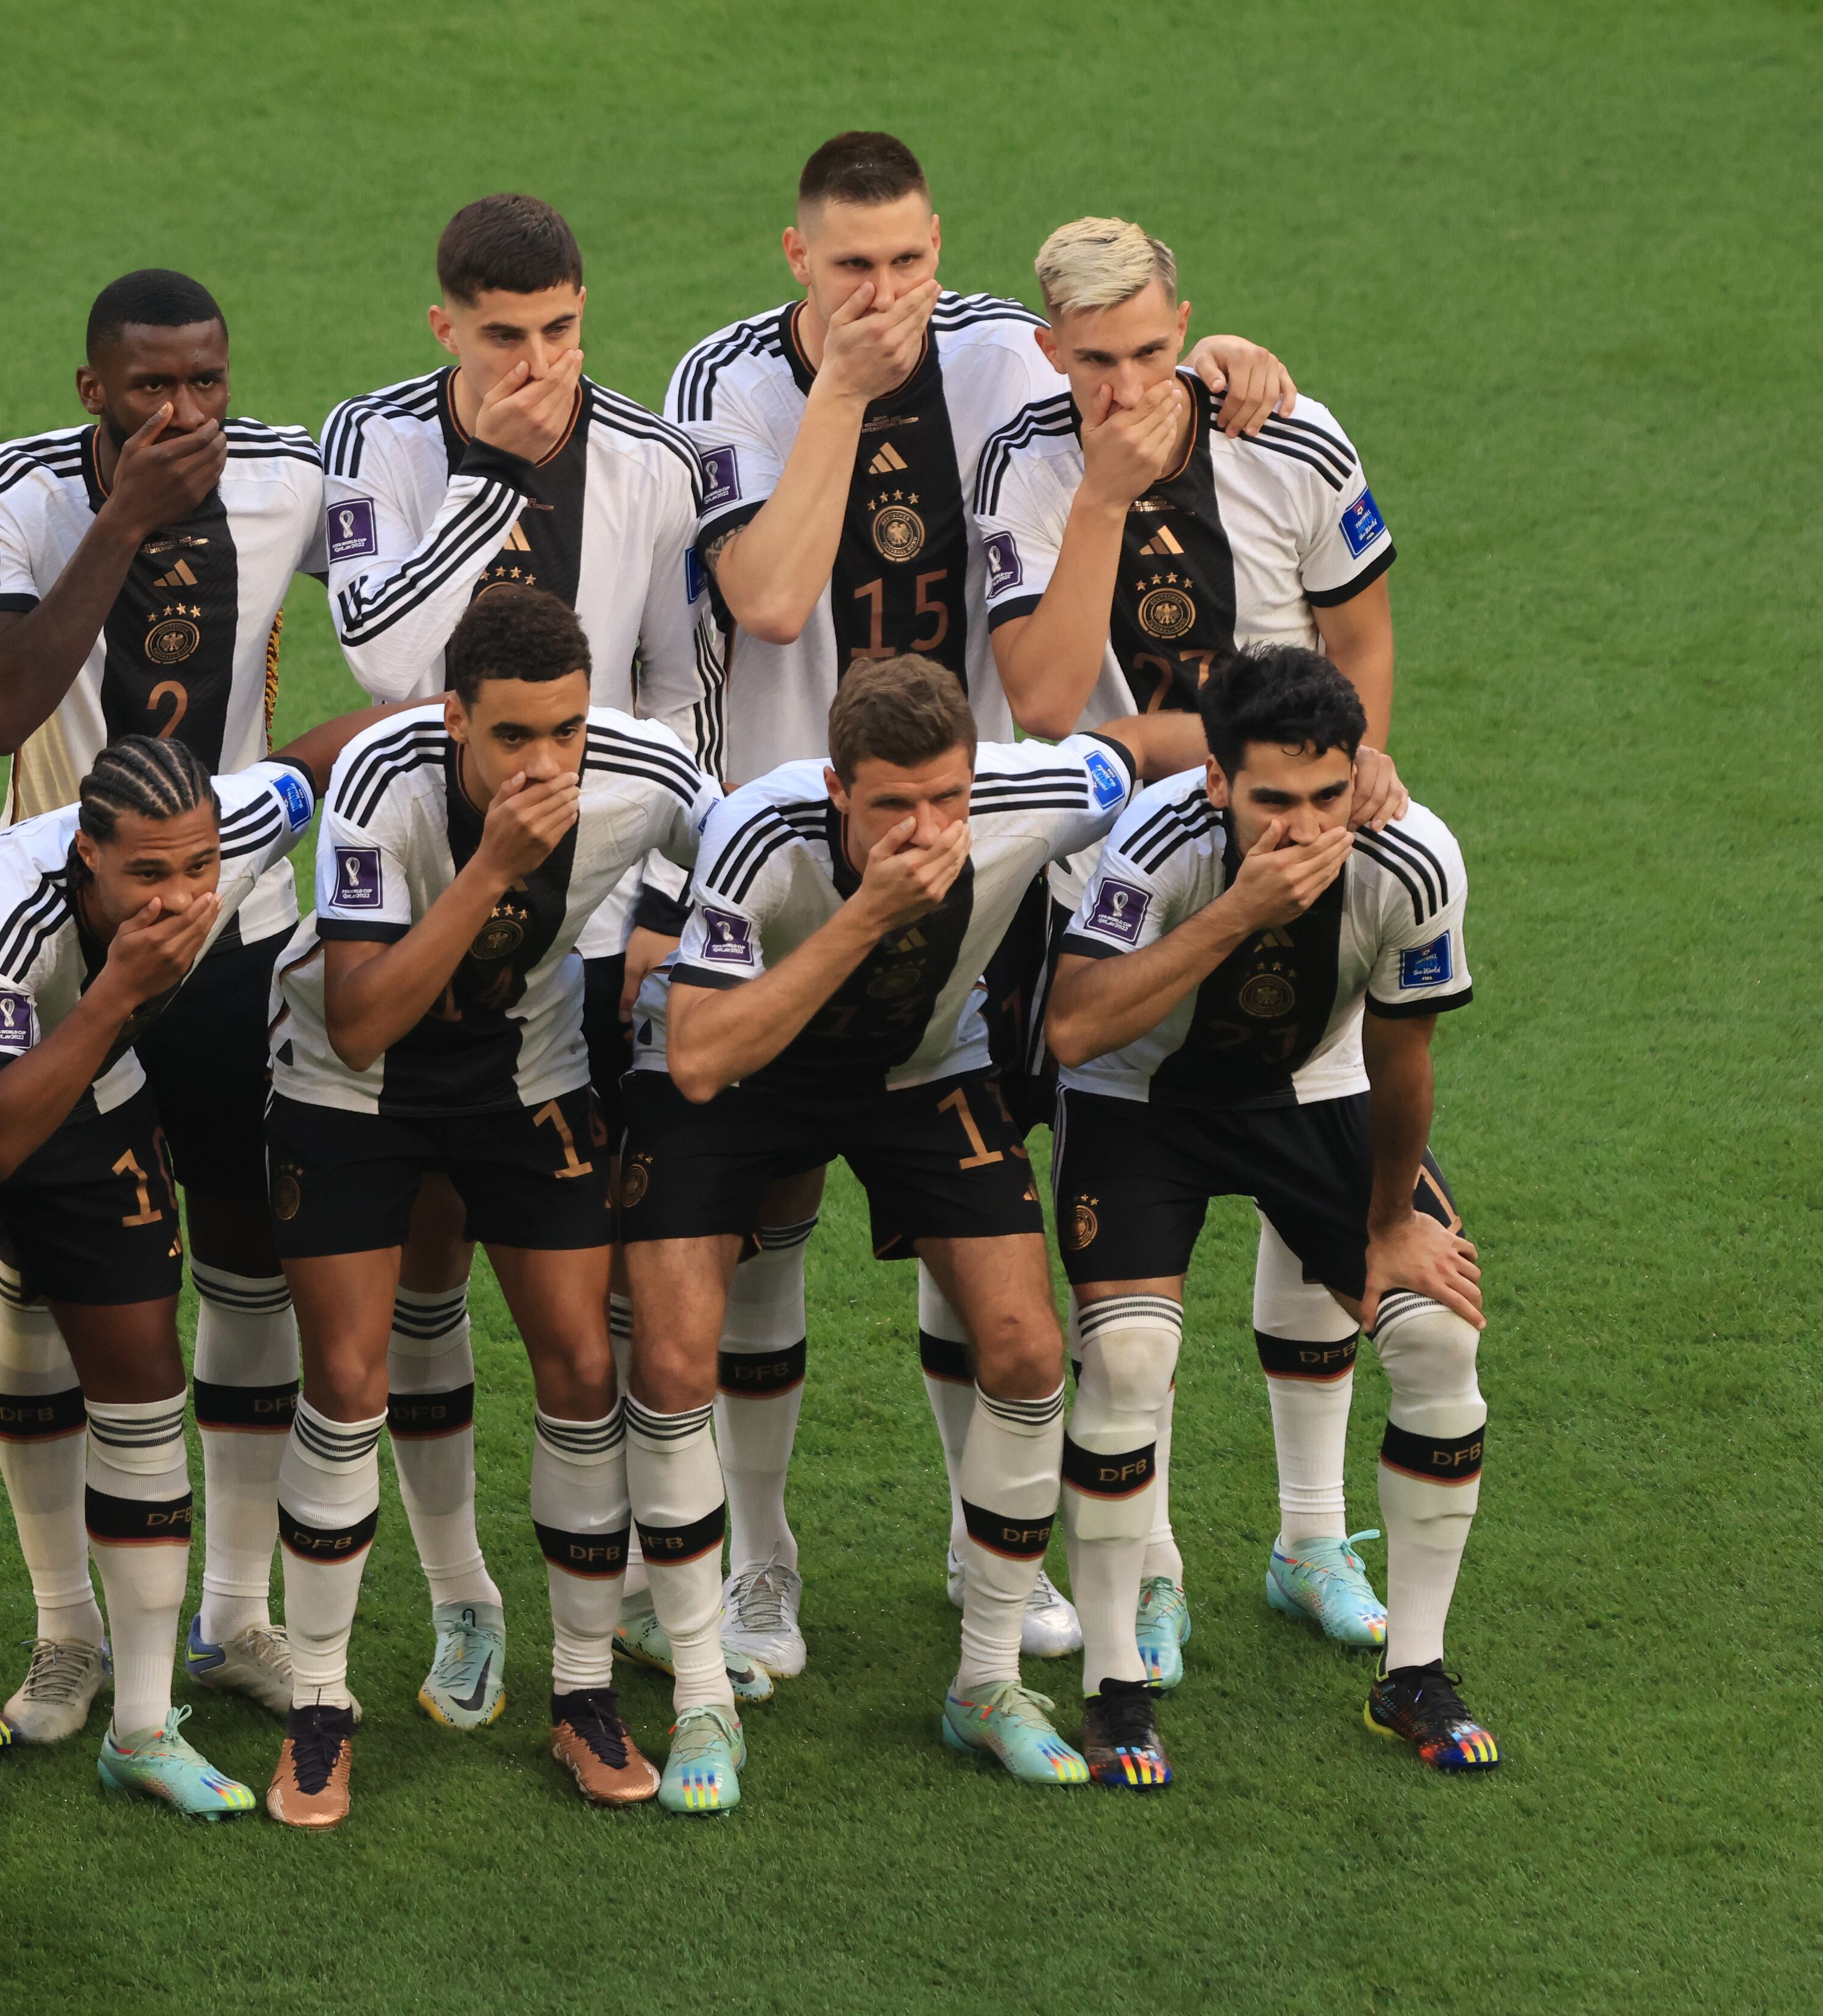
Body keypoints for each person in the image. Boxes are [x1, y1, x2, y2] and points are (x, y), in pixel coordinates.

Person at [667, 132, 1298, 1679]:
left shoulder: (1002, 357)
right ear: (795, 258)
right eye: (848, 265)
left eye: (906, 263)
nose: (882, 294)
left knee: (974, 1208)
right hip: (787, 836)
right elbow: (767, 595)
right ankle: (761, 1567)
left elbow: (1119, 380)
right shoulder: (724, 386)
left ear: (941, 247)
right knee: (765, 1229)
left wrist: (1216, 366)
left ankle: (982, 1541)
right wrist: (839, 389)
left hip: (983, 851)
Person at [617, 656, 1206, 1801]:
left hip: (924, 1071)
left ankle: (984, 1685)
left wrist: (1343, 766)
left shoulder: (1026, 793)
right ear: (838, 791)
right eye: (893, 804)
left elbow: (1145, 749)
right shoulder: (756, 830)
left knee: (1032, 1355)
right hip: (741, 1074)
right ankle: (703, 1690)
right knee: (675, 1356)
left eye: (948, 797)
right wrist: (872, 913)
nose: (929, 826)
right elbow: (697, 1057)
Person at [976, 217, 1408, 1674]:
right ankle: (1149, 1569)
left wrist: (1362, 773)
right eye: (1095, 361)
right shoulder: (1029, 464)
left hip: (1298, 844)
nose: (1129, 382)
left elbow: (1359, 628)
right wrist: (1099, 496)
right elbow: (1040, 703)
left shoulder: (1287, 430)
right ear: (1052, 353)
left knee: (1314, 1160)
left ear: (1188, 324)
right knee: (1132, 1305)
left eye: (1154, 349)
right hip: (1113, 899)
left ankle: (1306, 1542)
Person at [319, 193, 711, 1723]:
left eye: (559, 330)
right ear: (445, 331)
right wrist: (485, 477)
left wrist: (648, 873)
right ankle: (460, 1600)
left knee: (595, 1283)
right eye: (502, 337)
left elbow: (685, 694)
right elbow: (377, 657)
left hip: (602, 915)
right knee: (423, 1253)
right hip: (428, 885)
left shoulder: (656, 463)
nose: (538, 361)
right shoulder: (375, 444)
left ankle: (617, 1602)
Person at [0, 709, 391, 1832]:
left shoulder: (229, 833)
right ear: (83, 855)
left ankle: (144, 1726)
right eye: (147, 872)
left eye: (200, 867)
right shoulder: (1, 914)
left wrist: (451, 723)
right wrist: (115, 993)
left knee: (145, 1385)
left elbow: (309, 761)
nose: (180, 894)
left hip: (90, 1089)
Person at [0, 268, 329, 1728]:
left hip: (240, 937)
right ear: (91, 391)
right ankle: (62, 1633)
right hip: (61, 938)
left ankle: (235, 1612)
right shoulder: (17, 494)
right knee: (42, 1280)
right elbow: (0, 705)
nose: (185, 413)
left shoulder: (288, 482)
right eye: (151, 388)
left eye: (207, 385)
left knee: (247, 1255)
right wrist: (123, 518)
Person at [261, 587, 716, 1827]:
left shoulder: (645, 770)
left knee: (578, 1365)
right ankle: (317, 1710)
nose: (544, 763)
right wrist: (495, 868)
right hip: (350, 1089)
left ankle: (581, 1696)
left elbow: (742, 854)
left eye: (564, 732)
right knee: (347, 1380)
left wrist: (676, 944)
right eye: (511, 736)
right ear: (453, 715)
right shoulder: (379, 781)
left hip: (530, 1075)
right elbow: (359, 1025)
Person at [1041, 646, 1495, 1786]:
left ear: (1361, 776)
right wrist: (1238, 911)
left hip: (1312, 1090)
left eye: (1327, 796)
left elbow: (1403, 1057)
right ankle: (1114, 1686)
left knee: (1439, 1333)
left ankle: (1416, 1674)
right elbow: (1075, 1029)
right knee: (1131, 1360)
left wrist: (1391, 1223)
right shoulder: (1156, 841)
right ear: (1216, 783)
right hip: (1140, 1100)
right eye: (1273, 802)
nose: (1303, 826)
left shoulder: (1411, 857)